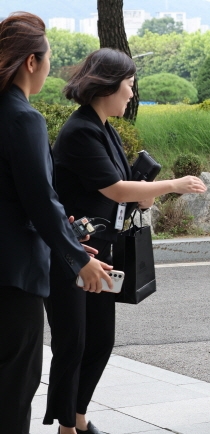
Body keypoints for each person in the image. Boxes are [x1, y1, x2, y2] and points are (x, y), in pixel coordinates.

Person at [43, 48, 207, 434]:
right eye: (129, 85)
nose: (132, 93)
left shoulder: (104, 129)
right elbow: (115, 188)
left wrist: (144, 195)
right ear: (108, 85)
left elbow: (124, 189)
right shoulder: (81, 131)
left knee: (100, 340)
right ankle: (67, 426)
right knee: (73, 342)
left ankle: (77, 417)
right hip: (73, 253)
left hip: (101, 251)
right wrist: (172, 185)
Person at [0, 12, 112, 434]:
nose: (49, 66)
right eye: (48, 57)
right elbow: (39, 202)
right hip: (12, 277)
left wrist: (68, 239)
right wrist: (78, 260)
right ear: (32, 62)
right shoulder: (23, 117)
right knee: (14, 387)